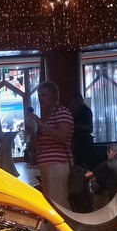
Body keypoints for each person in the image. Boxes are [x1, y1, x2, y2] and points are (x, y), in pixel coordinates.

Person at [25, 80, 74, 209]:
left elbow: (62, 137)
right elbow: (39, 143)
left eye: (44, 95)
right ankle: (54, 222)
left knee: (59, 200)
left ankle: (62, 222)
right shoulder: (44, 116)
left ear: (54, 96)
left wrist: (40, 124)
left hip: (58, 163)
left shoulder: (62, 112)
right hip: (44, 162)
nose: (40, 98)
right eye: (39, 95)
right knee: (49, 200)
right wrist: (32, 132)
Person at [71, 93, 94, 168]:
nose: (75, 103)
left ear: (81, 100)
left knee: (84, 161)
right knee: (79, 161)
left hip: (84, 140)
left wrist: (76, 126)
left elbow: (87, 126)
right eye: (74, 102)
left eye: (77, 101)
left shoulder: (86, 111)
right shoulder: (77, 111)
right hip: (79, 140)